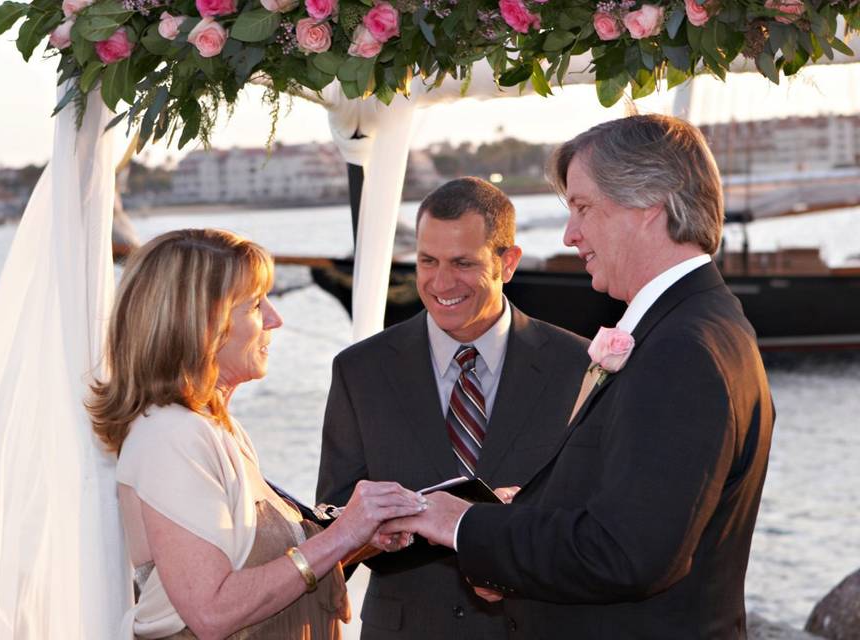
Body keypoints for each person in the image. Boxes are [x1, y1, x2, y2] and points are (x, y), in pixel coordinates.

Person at [388, 115, 776, 638]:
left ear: (648, 205)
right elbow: (628, 507)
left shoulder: (683, 350)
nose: (571, 235)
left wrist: (458, 523)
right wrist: (523, 517)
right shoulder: (697, 325)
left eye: (583, 208)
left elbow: (627, 554)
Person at [87, 228, 427, 640]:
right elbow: (212, 611)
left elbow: (260, 568)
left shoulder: (213, 429)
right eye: (255, 305)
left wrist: (363, 534)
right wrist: (343, 534)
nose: (275, 318)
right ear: (200, 323)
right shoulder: (170, 436)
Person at [316, 177, 590, 638]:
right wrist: (379, 528)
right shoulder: (358, 370)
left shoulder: (580, 367)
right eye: (428, 261)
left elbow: (599, 522)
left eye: (463, 263)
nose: (441, 283)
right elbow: (332, 516)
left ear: (508, 263)